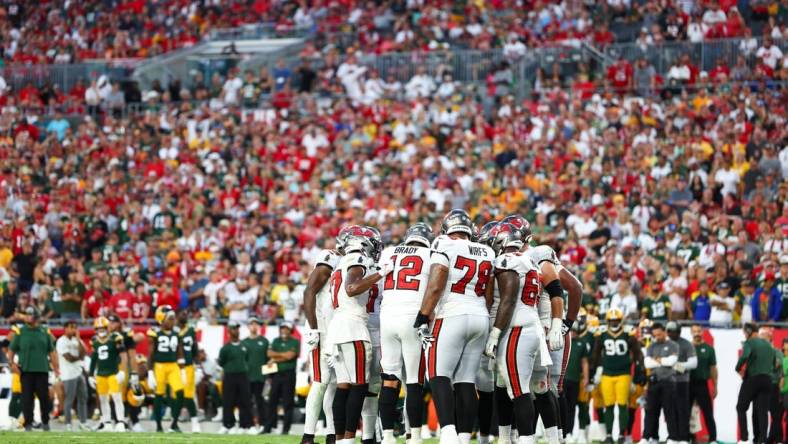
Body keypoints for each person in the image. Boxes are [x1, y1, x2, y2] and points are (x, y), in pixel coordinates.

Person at [414, 209, 494, 444]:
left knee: (438, 375)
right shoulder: (487, 251)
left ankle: (448, 434)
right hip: (480, 315)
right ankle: (463, 436)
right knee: (466, 380)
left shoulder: (444, 243)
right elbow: (489, 293)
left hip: (451, 314)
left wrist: (423, 315)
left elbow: (438, 279)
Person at [327, 226, 389, 444]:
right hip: (353, 326)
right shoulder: (357, 260)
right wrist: (381, 273)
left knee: (343, 386)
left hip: (338, 326)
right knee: (360, 385)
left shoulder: (339, 264)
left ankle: (339, 438)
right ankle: (349, 439)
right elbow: (352, 288)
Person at [483, 222, 544, 444]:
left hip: (516, 329)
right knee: (516, 388)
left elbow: (507, 300)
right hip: (529, 325)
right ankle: (509, 439)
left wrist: (495, 334)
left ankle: (526, 440)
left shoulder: (507, 260)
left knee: (519, 391)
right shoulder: (529, 260)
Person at [378, 222, 433, 444]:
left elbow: (380, 284)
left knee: (389, 379)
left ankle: (389, 436)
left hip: (388, 316)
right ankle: (415, 436)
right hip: (413, 315)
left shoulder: (390, 251)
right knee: (414, 380)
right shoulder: (431, 254)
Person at [300, 239, 343, 444]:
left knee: (333, 384)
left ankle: (332, 434)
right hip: (322, 329)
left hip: (337, 329)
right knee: (320, 381)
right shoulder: (331, 258)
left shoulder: (351, 260)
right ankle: (308, 436)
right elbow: (309, 291)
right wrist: (313, 328)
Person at [592, 308, 642, 444]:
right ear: (608, 321)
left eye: (616, 320)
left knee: (622, 405)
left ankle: (621, 434)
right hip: (607, 373)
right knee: (608, 405)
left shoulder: (628, 333)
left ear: (621, 321)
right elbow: (595, 355)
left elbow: (637, 353)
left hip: (623, 373)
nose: (614, 323)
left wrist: (639, 370)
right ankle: (609, 435)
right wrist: (594, 372)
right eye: (612, 320)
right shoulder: (602, 334)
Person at [8, 306, 60, 432]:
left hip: (42, 370)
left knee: (44, 398)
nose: (27, 316)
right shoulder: (20, 332)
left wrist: (56, 367)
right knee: (27, 399)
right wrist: (12, 364)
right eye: (26, 314)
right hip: (25, 370)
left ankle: (45, 422)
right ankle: (28, 424)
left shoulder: (45, 331)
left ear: (36, 317)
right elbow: (11, 350)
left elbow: (52, 352)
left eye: (30, 314)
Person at [146, 305, 185, 433]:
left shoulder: (176, 332)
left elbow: (179, 351)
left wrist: (182, 369)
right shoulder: (155, 333)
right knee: (158, 395)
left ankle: (174, 424)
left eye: (173, 319)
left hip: (173, 366)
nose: (173, 321)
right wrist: (150, 372)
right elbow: (150, 354)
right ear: (161, 319)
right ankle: (158, 426)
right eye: (170, 319)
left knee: (180, 393)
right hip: (159, 366)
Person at [736, 323, 775, 444]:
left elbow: (744, 357)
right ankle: (761, 440)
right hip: (767, 380)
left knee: (741, 407)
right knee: (761, 411)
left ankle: (744, 438)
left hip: (753, 379)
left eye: (744, 332)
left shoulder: (750, 343)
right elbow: (774, 363)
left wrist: (737, 368)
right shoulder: (769, 345)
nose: (744, 334)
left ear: (748, 331)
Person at [89, 316, 128, 431]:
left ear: (108, 328)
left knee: (117, 397)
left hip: (113, 373)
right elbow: (94, 359)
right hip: (101, 374)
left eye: (103, 328)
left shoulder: (115, 338)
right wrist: (91, 375)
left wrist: (122, 371)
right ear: (95, 329)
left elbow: (123, 354)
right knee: (103, 399)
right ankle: (107, 423)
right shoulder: (95, 341)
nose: (101, 330)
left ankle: (120, 422)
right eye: (99, 328)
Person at [642, 322, 679, 444]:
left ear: (664, 331)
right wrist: (663, 361)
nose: (657, 337)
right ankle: (649, 437)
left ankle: (672, 437)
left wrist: (658, 360)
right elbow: (647, 363)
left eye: (659, 334)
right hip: (653, 382)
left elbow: (672, 361)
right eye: (655, 335)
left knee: (669, 411)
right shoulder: (651, 346)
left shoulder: (673, 345)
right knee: (651, 411)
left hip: (668, 382)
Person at [218, 320, 254, 434]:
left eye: (237, 328)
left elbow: (247, 359)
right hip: (229, 375)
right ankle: (228, 425)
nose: (236, 330)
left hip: (243, 375)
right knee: (228, 401)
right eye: (234, 328)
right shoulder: (225, 348)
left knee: (245, 400)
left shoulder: (245, 345)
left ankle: (247, 425)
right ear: (229, 331)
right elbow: (221, 362)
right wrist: (231, 368)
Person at [265, 322, 301, 435]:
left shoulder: (295, 341)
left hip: (289, 374)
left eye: (286, 328)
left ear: (290, 330)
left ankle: (286, 429)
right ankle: (270, 426)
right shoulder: (276, 340)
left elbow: (290, 356)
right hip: (276, 374)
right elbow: (269, 353)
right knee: (272, 401)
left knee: (288, 402)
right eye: (282, 328)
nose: (284, 330)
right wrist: (282, 355)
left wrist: (275, 358)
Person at [564, 309, 593, 444]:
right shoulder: (563, 341)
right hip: (562, 379)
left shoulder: (581, 343)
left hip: (575, 379)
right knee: (561, 407)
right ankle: (562, 432)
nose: (573, 333)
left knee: (572, 408)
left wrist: (586, 378)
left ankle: (569, 432)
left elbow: (585, 363)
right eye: (572, 330)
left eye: (575, 331)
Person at [666, 321, 697, 444]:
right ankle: (673, 436)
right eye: (668, 331)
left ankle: (684, 437)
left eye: (672, 331)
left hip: (682, 381)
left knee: (682, 409)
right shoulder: (665, 343)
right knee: (670, 410)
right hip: (667, 381)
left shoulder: (686, 344)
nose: (670, 333)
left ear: (678, 331)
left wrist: (676, 366)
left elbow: (694, 363)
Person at [56, 319, 89, 431]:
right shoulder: (61, 341)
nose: (73, 329)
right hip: (68, 374)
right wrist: (79, 357)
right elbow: (68, 358)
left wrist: (79, 340)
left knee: (83, 398)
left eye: (75, 327)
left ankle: (83, 423)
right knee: (69, 399)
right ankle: (68, 424)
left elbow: (84, 353)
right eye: (71, 327)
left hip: (79, 372)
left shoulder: (77, 340)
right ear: (65, 329)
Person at [688, 324, 717, 444]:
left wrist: (715, 386)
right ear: (691, 332)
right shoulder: (687, 348)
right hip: (688, 384)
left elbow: (713, 369)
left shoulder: (709, 349)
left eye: (699, 331)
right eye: (694, 331)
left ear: (702, 332)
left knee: (708, 412)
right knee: (686, 412)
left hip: (702, 384)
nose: (697, 333)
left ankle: (713, 438)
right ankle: (689, 437)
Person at [241, 316, 269, 433]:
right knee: (246, 401)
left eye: (255, 324)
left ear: (258, 326)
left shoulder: (264, 341)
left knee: (260, 401)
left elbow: (269, 360)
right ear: (248, 326)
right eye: (251, 324)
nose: (253, 326)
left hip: (261, 377)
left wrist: (268, 377)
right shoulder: (244, 342)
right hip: (247, 377)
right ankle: (248, 425)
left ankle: (263, 424)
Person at [176, 310, 201, 433]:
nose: (184, 315)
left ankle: (195, 421)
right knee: (174, 395)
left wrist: (198, 365)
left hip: (188, 366)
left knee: (188, 395)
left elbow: (195, 348)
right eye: (182, 313)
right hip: (174, 367)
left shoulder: (191, 330)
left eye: (186, 313)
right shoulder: (173, 330)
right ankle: (174, 422)